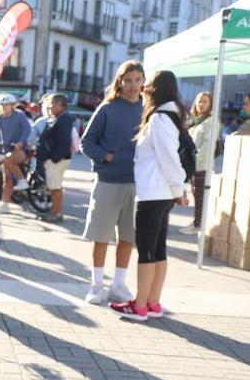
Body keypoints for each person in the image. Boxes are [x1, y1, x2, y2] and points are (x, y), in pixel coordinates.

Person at [111, 71, 187, 321]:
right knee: (158, 249)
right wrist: (177, 190)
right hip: (161, 192)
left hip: (154, 192)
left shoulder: (159, 118)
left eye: (148, 84)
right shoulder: (169, 115)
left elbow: (168, 157)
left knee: (146, 250)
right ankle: (152, 303)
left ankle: (140, 305)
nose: (143, 88)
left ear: (157, 89)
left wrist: (179, 190)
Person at [80, 60, 144, 306]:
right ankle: (96, 284)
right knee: (101, 236)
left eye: (137, 79)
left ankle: (118, 284)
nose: (132, 85)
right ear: (120, 81)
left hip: (138, 183)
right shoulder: (107, 109)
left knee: (129, 236)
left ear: (143, 81)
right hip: (108, 180)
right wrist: (107, 157)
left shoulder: (148, 109)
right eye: (128, 80)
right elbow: (87, 143)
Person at [0, 92, 32, 211]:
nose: (4, 107)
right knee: (7, 179)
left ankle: (22, 181)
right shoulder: (0, 118)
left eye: (7, 105)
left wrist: (21, 141)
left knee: (7, 160)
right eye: (2, 105)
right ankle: (5, 205)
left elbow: (27, 129)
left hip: (21, 149)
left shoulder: (20, 115)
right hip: (7, 150)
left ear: (12, 105)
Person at [181, 91, 218, 235]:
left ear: (211, 104)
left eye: (205, 101)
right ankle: (196, 222)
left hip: (202, 165)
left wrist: (195, 158)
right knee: (196, 195)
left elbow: (208, 145)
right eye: (199, 101)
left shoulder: (211, 121)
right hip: (193, 165)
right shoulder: (195, 121)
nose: (201, 104)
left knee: (201, 196)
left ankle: (199, 224)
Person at [36, 94, 75, 223]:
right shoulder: (60, 118)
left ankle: (56, 213)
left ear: (59, 104)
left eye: (52, 103)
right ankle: (54, 211)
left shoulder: (63, 119)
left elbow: (64, 141)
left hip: (57, 160)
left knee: (55, 187)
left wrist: (54, 159)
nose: (50, 106)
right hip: (56, 159)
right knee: (55, 187)